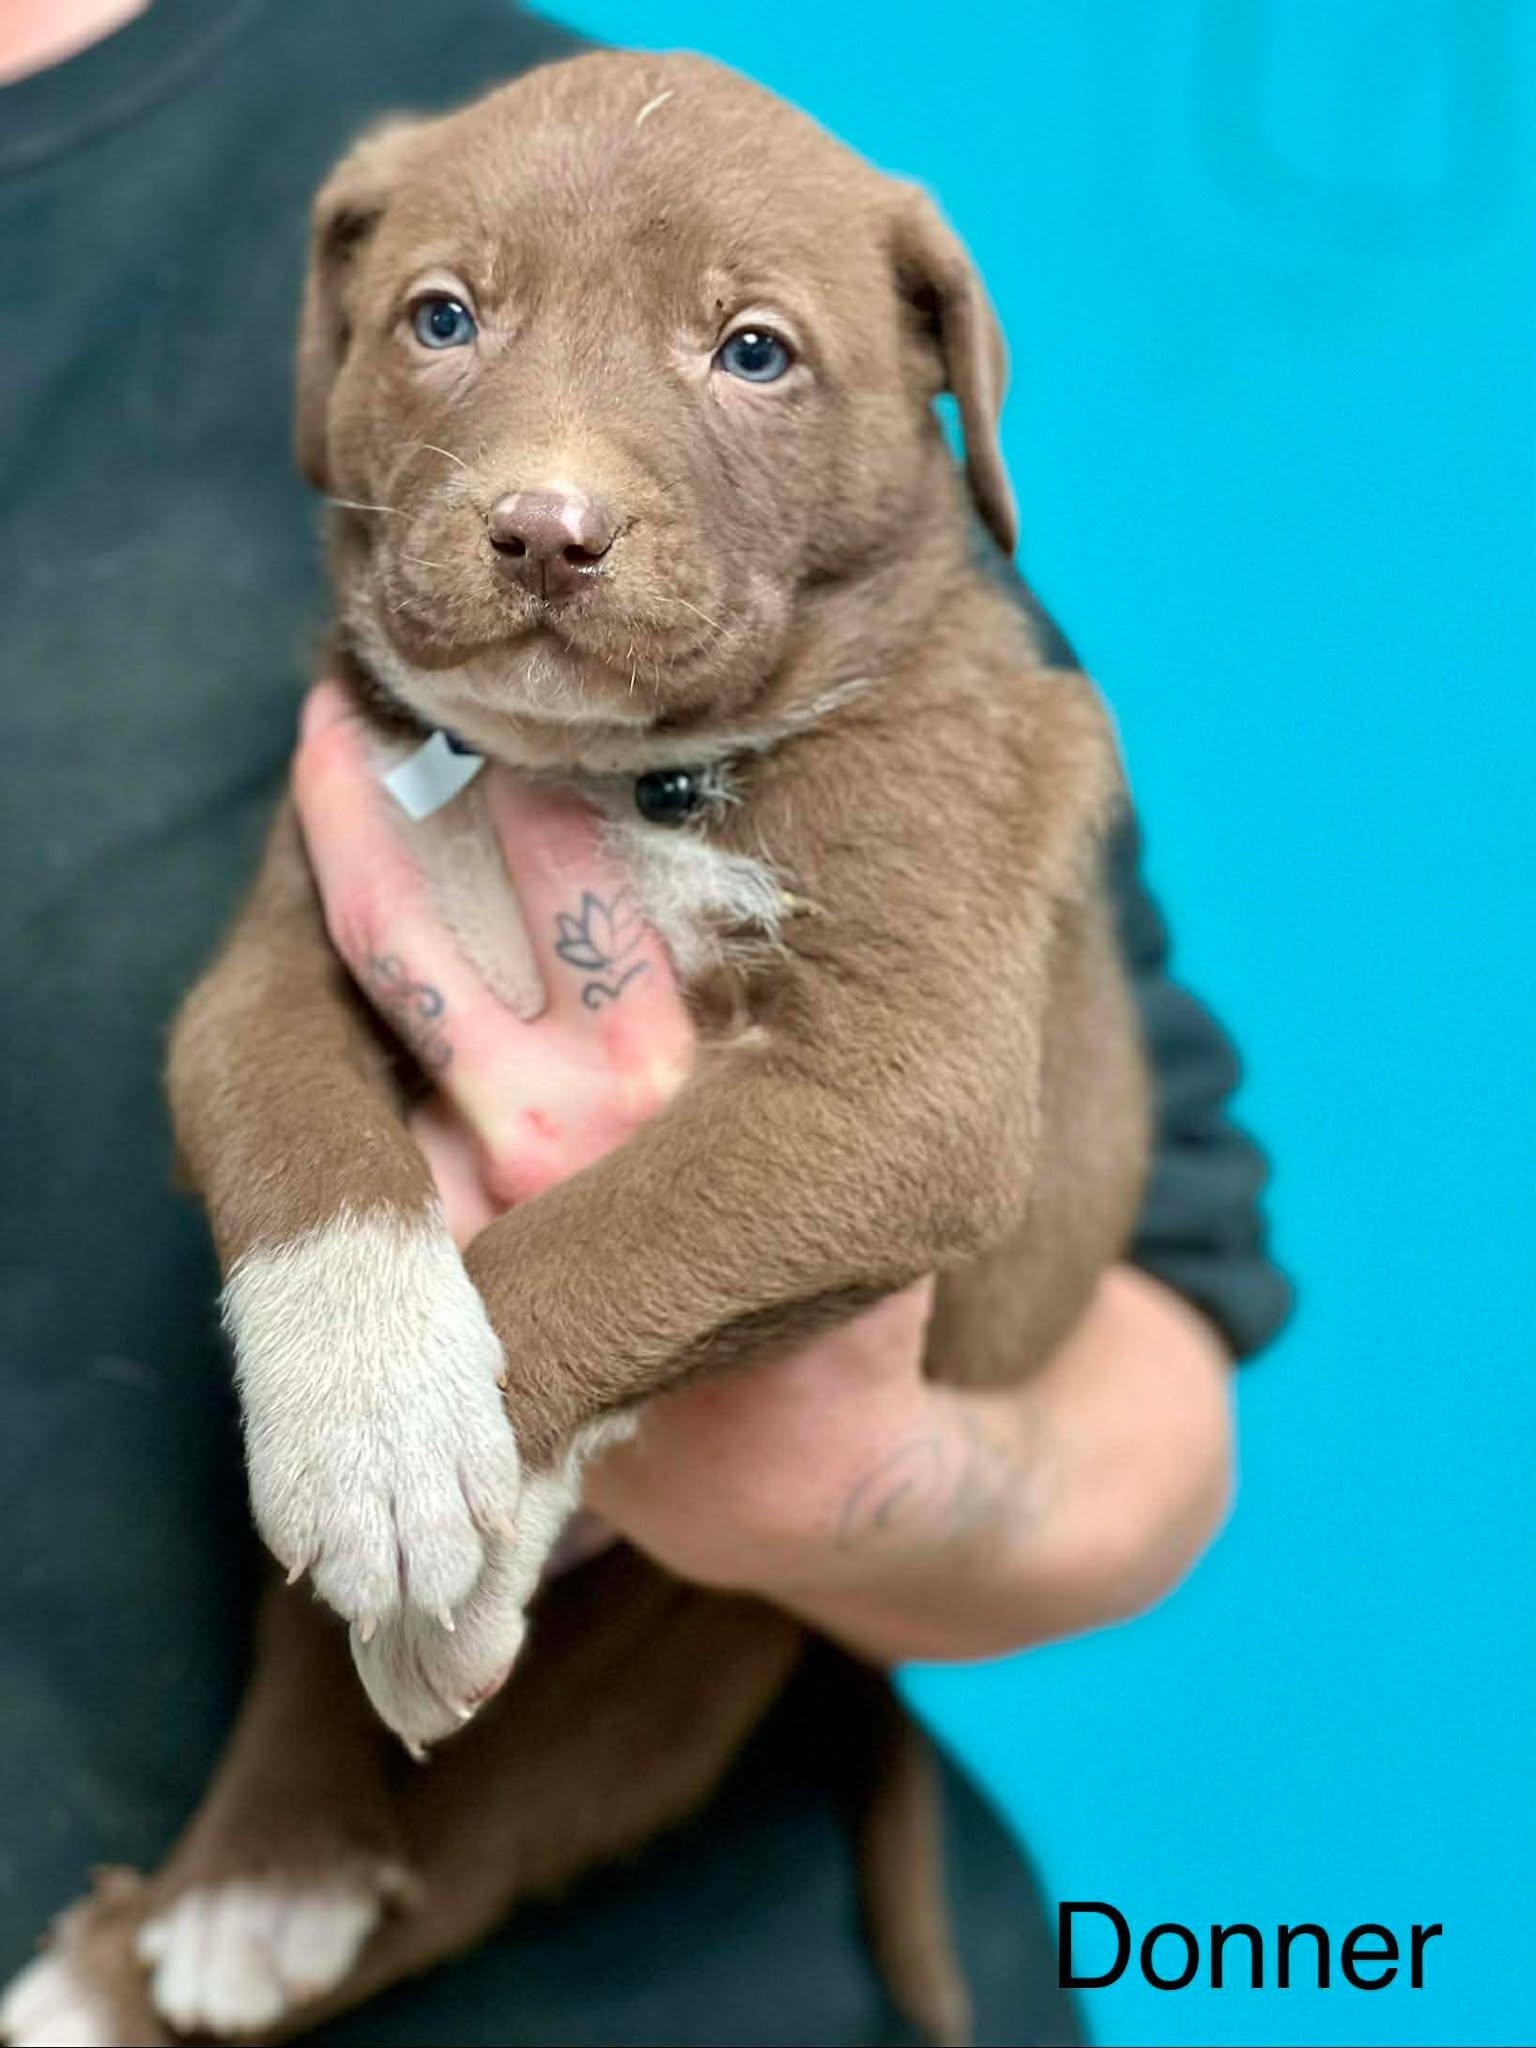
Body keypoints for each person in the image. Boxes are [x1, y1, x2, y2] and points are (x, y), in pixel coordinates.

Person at [0, 1, 1290, 2041]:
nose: (551, 487)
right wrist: (371, 1354)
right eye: (444, 321)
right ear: (333, 341)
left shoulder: (927, 706)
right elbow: (267, 1021)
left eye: (756, 351)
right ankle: (269, 1858)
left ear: (944, 397)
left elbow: (993, 1196)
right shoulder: (395, 709)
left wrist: (618, 1429)